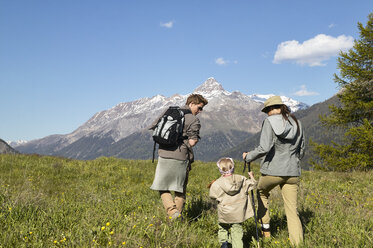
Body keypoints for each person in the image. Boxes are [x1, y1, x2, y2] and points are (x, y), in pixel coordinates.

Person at [242, 95, 305, 246]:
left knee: (261, 192)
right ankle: (298, 244)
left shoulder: (269, 122)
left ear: (270, 109)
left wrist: (248, 156)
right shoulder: (297, 122)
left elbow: (264, 148)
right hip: (292, 172)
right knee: (292, 211)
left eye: (267, 111)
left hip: (273, 171)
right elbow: (301, 150)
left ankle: (267, 233)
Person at [150, 94, 208, 219]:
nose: (200, 111)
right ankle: (176, 217)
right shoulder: (193, 119)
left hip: (163, 154)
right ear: (191, 103)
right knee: (180, 190)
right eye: (199, 108)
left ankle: (171, 212)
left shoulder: (169, 111)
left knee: (162, 187)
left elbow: (154, 127)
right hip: (180, 156)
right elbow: (192, 142)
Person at [209, 157, 257, 248]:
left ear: (220, 170)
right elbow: (252, 184)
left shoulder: (217, 183)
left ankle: (224, 243)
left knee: (223, 227)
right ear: (233, 168)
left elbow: (212, 196)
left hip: (225, 212)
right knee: (237, 230)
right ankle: (237, 246)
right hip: (238, 213)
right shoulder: (241, 179)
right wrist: (251, 176)